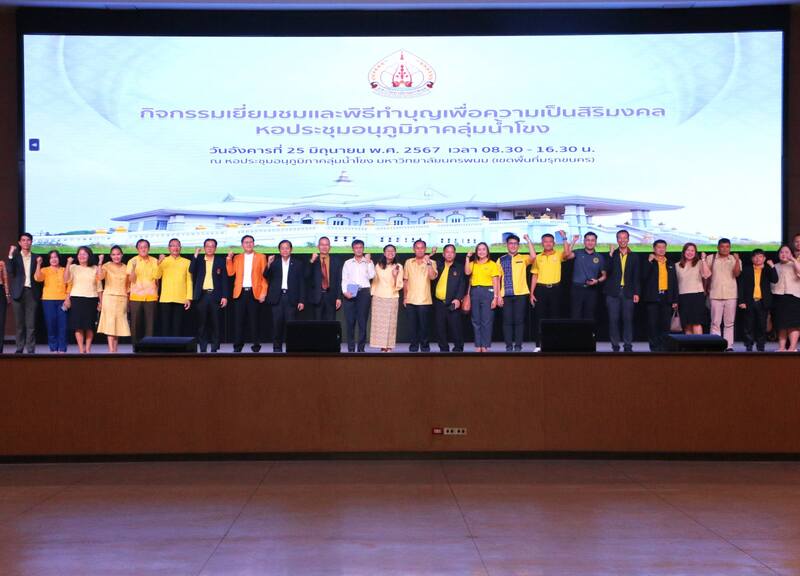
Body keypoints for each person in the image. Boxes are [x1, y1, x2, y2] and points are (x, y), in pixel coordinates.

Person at [530, 232, 574, 351]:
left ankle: (555, 343)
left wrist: (565, 238)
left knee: (555, 317)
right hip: (541, 289)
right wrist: (531, 293)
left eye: (550, 241)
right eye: (545, 241)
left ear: (554, 243)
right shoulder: (538, 257)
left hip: (556, 289)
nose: (548, 243)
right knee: (540, 317)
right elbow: (535, 275)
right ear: (542, 243)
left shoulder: (558, 254)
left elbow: (568, 253)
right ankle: (539, 345)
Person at [226, 235, 268, 353]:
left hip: (255, 293)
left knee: (254, 322)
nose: (248, 244)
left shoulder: (261, 257)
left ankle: (256, 347)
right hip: (240, 293)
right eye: (246, 242)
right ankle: (237, 347)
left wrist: (263, 292)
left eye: (250, 242)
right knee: (239, 322)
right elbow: (230, 273)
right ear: (242, 245)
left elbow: (264, 277)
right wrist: (229, 259)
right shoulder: (238, 258)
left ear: (253, 244)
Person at [497, 234, 536, 352]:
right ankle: (509, 347)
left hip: (521, 294)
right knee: (507, 322)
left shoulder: (523, 258)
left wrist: (528, 240)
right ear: (507, 245)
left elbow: (533, 257)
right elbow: (497, 279)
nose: (513, 245)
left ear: (518, 246)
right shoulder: (501, 259)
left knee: (519, 321)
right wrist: (498, 295)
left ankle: (518, 346)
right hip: (505, 295)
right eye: (511, 243)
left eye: (515, 243)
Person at [264, 240, 305, 353]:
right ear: (279, 250)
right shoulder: (274, 263)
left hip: (291, 298)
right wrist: (268, 264)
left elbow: (301, 283)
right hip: (277, 297)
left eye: (287, 248)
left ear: (291, 249)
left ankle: (291, 348)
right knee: (277, 325)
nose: (285, 250)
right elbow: (266, 276)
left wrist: (301, 300)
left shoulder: (298, 263)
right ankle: (277, 349)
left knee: (291, 325)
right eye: (282, 248)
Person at [190, 239, 230, 353]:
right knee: (202, 323)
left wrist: (225, 296)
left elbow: (224, 279)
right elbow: (191, 270)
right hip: (201, 296)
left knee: (215, 323)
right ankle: (203, 347)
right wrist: (196, 255)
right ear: (204, 247)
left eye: (212, 246)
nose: (210, 248)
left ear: (216, 248)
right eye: (207, 246)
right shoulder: (200, 260)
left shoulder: (220, 260)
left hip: (215, 295)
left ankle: (214, 347)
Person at [604, 229, 641, 352]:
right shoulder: (612, 255)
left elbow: (637, 276)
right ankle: (615, 345)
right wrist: (610, 255)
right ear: (617, 240)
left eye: (625, 238)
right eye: (620, 238)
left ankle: (628, 345)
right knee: (613, 320)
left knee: (628, 320)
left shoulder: (634, 256)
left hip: (628, 292)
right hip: (613, 293)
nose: (622, 240)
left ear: (628, 239)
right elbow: (606, 270)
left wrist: (637, 293)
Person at [63, 246, 102, 354]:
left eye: (84, 254)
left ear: (89, 255)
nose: (82, 256)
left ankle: (88, 349)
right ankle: (81, 349)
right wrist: (68, 264)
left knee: (89, 326)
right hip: (76, 299)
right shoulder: (73, 267)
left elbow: (99, 286)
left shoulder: (94, 268)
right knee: (78, 326)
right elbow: (65, 280)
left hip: (92, 299)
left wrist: (101, 301)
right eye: (80, 254)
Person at [738, 249, 778, 352]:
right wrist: (741, 301)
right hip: (749, 301)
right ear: (752, 259)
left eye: (760, 256)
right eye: (755, 256)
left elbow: (775, 279)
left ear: (764, 258)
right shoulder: (747, 270)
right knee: (748, 326)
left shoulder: (767, 270)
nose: (757, 258)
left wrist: (772, 266)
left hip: (762, 302)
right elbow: (741, 286)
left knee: (761, 326)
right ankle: (749, 346)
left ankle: (761, 346)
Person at [642, 240, 678, 351]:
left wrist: (675, 300)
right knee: (652, 325)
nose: (661, 249)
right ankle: (654, 348)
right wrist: (649, 261)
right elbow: (643, 277)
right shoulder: (649, 262)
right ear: (654, 249)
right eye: (659, 247)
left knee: (665, 325)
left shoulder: (670, 263)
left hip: (667, 297)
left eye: (663, 247)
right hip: (652, 297)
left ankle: (664, 348)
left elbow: (674, 282)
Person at [706, 238, 741, 351]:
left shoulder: (734, 258)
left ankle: (728, 345)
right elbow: (706, 275)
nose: (725, 249)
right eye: (722, 246)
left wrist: (736, 260)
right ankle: (715, 345)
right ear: (718, 247)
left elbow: (736, 274)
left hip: (731, 294)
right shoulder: (711, 258)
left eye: (727, 247)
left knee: (729, 323)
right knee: (715, 322)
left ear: (730, 248)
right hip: (715, 294)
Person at [403, 239, 438, 352]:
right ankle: (413, 348)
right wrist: (405, 297)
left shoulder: (432, 262)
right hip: (411, 299)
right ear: (414, 249)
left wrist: (428, 263)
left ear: (425, 249)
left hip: (424, 300)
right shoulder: (408, 262)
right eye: (417, 248)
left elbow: (432, 277)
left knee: (424, 327)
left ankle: (425, 348)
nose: (419, 250)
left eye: (422, 248)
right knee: (412, 327)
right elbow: (405, 280)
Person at [465, 242, 501, 352]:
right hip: (475, 292)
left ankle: (485, 345)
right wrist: (467, 258)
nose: (481, 251)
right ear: (476, 252)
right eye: (479, 249)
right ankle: (478, 345)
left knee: (486, 320)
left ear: (487, 251)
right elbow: (467, 272)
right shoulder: (473, 264)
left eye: (483, 249)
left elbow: (495, 281)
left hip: (488, 292)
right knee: (476, 320)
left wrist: (495, 297)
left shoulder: (492, 264)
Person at [7, 233, 39, 354]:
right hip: (17, 292)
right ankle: (19, 348)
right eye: (23, 240)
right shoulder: (15, 257)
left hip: (31, 292)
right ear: (20, 243)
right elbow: (10, 270)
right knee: (19, 324)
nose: (26, 242)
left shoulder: (36, 257)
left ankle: (30, 349)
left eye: (28, 240)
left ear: (31, 242)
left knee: (31, 324)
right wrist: (10, 254)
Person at [341, 239, 375, 352]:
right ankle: (351, 348)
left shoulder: (368, 262)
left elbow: (371, 276)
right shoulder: (348, 262)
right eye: (356, 248)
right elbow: (344, 279)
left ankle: (361, 349)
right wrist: (345, 292)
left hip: (364, 292)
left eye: (360, 247)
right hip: (350, 290)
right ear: (353, 249)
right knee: (350, 322)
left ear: (363, 249)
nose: (358, 250)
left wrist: (369, 262)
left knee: (362, 322)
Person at [96, 246, 131, 353]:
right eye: (114, 254)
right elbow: (99, 277)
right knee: (110, 325)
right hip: (109, 298)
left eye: (118, 254)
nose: (116, 256)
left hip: (122, 298)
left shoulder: (126, 267)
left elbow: (128, 286)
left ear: (122, 255)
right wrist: (100, 262)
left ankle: (115, 350)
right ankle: (111, 351)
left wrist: (129, 302)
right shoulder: (106, 266)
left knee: (118, 326)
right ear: (111, 256)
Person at [567, 232, 607, 322]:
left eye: (592, 240)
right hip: (577, 289)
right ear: (584, 241)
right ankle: (575, 335)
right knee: (575, 315)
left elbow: (604, 276)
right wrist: (573, 241)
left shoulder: (600, 257)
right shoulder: (577, 252)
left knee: (589, 315)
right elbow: (567, 255)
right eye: (588, 240)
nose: (590, 242)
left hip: (591, 290)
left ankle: (588, 336)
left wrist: (597, 281)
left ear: (596, 242)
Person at [369, 244, 403, 352]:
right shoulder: (378, 265)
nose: (390, 253)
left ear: (395, 253)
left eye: (393, 251)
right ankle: (381, 346)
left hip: (392, 296)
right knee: (379, 323)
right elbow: (374, 280)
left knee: (391, 323)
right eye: (388, 251)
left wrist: (394, 275)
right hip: (378, 296)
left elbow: (399, 284)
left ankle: (388, 346)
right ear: (384, 253)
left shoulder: (398, 266)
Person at [33, 250, 68, 353]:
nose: (54, 259)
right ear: (49, 260)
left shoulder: (64, 269)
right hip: (48, 300)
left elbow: (69, 283)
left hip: (62, 300)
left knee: (63, 326)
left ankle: (62, 349)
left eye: (55, 257)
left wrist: (67, 298)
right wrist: (38, 264)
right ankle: (53, 348)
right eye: (51, 257)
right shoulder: (45, 270)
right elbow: (37, 278)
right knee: (51, 325)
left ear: (59, 258)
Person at [434, 244, 467, 352]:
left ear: (455, 254)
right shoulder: (438, 265)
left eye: (451, 252)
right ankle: (443, 349)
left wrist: (458, 299)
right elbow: (426, 263)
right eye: (447, 252)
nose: (449, 254)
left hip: (453, 302)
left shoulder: (459, 267)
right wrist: (431, 254)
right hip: (439, 302)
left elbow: (462, 284)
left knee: (456, 328)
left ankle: (458, 348)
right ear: (443, 254)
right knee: (440, 328)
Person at [157, 238, 193, 337]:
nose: (175, 248)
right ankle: (165, 351)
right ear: (169, 248)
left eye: (177, 245)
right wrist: (159, 263)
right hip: (166, 298)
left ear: (180, 248)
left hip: (181, 298)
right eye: (173, 245)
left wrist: (188, 298)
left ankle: (176, 350)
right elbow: (157, 276)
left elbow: (189, 280)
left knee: (177, 327)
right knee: (165, 327)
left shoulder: (187, 262)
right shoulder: (163, 261)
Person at [126, 238, 159, 346]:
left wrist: (159, 263)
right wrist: (134, 268)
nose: (143, 249)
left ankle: (149, 347)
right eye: (141, 247)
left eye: (145, 247)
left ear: (148, 248)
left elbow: (157, 276)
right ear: (137, 249)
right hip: (136, 296)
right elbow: (131, 279)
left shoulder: (154, 261)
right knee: (135, 325)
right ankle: (136, 347)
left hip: (151, 296)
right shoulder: (132, 261)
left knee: (151, 324)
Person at [675, 243, 711, 335]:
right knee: (687, 324)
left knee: (696, 323)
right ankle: (689, 347)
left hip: (696, 296)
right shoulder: (677, 265)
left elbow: (706, 275)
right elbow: (675, 284)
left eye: (692, 250)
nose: (690, 252)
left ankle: (699, 347)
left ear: (695, 253)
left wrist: (703, 260)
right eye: (688, 250)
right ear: (684, 252)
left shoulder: (699, 263)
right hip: (682, 297)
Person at [771, 245, 800, 352]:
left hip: (794, 297)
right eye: (781, 252)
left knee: (793, 324)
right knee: (781, 324)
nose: (784, 254)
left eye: (787, 252)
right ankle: (782, 347)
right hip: (779, 298)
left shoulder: (795, 264)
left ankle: (792, 347)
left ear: (791, 254)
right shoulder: (775, 266)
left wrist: (793, 259)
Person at [307, 236, 342, 322]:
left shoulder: (336, 261)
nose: (324, 247)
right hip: (317, 297)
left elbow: (339, 280)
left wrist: (338, 297)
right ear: (318, 246)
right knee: (317, 325)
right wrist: (311, 261)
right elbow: (306, 276)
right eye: (322, 245)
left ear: (330, 247)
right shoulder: (313, 261)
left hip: (331, 296)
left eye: (326, 245)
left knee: (330, 324)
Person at [0, 258, 8, 353]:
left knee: (1, 321)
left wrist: (7, 294)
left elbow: (5, 279)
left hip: (0, 291)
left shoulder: (1, 263)